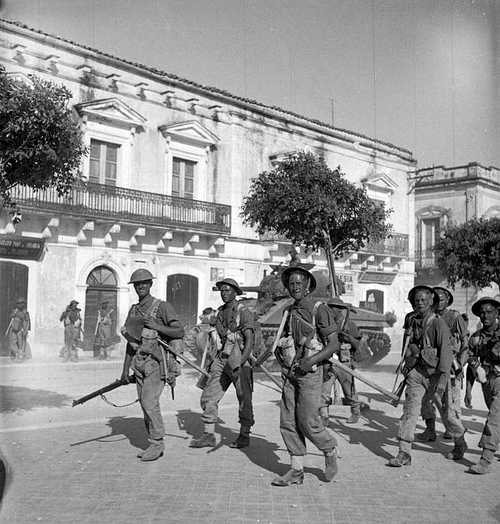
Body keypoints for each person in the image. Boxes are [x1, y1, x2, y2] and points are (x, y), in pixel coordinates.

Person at [271, 265, 339, 486]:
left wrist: (311, 360)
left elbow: (333, 344)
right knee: (288, 421)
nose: (295, 287)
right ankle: (296, 470)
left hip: (310, 373)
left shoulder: (320, 309)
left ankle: (329, 448)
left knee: (308, 421)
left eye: (299, 283)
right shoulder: (288, 311)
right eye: (291, 284)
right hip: (290, 373)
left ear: (308, 285)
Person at [388, 285, 467, 467]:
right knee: (410, 412)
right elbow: (409, 345)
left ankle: (460, 442)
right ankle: (404, 452)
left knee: (448, 414)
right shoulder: (413, 321)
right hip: (418, 373)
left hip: (437, 374)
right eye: (417, 300)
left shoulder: (438, 323)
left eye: (423, 300)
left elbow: (446, 354)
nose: (420, 303)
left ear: (431, 302)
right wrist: (407, 361)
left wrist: (442, 381)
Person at [120, 268, 184, 462]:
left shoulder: (162, 307)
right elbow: (130, 341)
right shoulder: (133, 310)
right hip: (139, 363)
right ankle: (152, 443)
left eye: (144, 283)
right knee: (144, 403)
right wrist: (124, 370)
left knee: (149, 402)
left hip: (157, 363)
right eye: (137, 284)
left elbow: (179, 331)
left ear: (150, 284)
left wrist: (156, 326)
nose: (141, 286)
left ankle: (157, 443)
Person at [189, 278, 255, 449]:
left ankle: (244, 435)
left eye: (227, 290)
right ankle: (208, 435)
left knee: (244, 398)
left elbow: (250, 339)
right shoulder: (219, 312)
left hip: (238, 358)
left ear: (235, 292)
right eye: (222, 290)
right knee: (209, 395)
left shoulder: (243, 312)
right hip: (221, 358)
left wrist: (241, 362)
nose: (224, 293)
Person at [416, 287, 468, 442]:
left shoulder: (454, 317)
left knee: (450, 404)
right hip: (430, 366)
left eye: (442, 299)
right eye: (436, 299)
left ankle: (455, 433)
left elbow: (465, 343)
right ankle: (430, 430)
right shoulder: (428, 317)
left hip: (450, 365)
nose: (439, 302)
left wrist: (459, 364)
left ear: (447, 300)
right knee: (426, 401)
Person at [466, 297, 500, 474]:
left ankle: (485, 459)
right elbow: (470, 357)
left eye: (489, 312)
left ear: (497, 313)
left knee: (494, 419)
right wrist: (469, 390)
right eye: (482, 313)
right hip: (487, 383)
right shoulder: (476, 337)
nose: (485, 315)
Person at [320, 297, 361, 425]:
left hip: (344, 363)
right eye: (330, 308)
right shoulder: (326, 323)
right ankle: (324, 416)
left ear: (339, 310)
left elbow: (359, 345)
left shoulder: (349, 325)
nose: (330, 311)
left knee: (349, 392)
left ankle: (355, 412)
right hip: (328, 362)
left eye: (333, 309)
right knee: (323, 391)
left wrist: (349, 338)